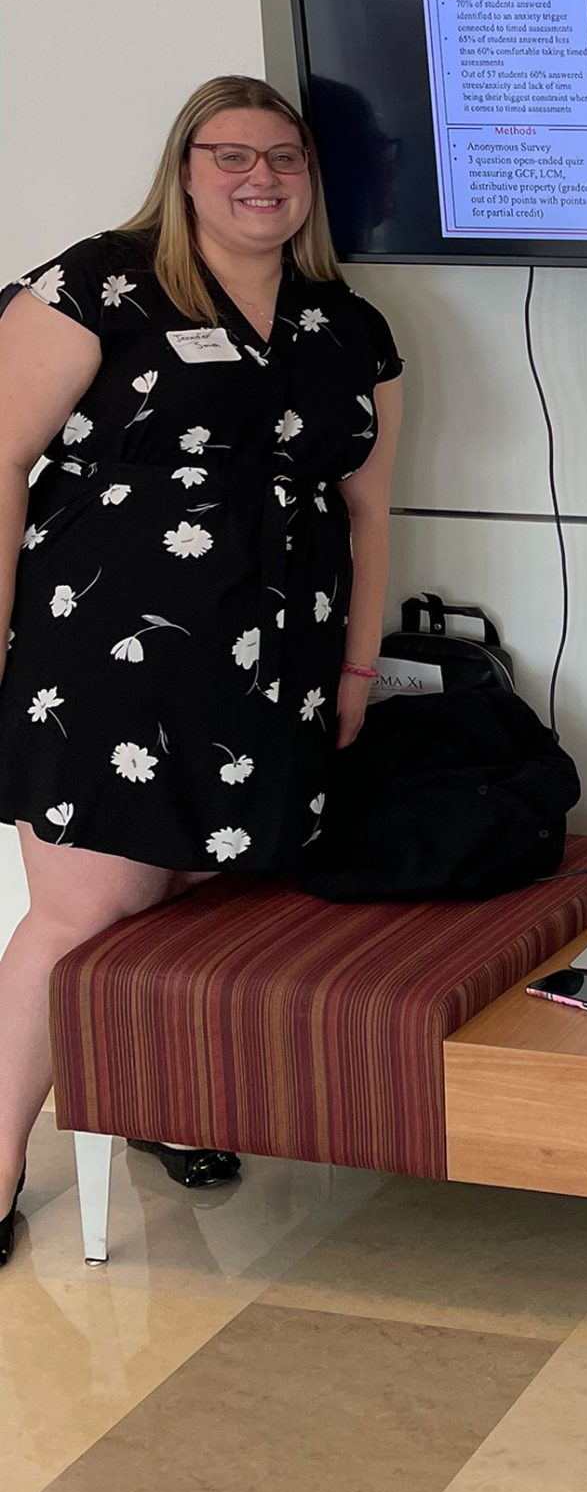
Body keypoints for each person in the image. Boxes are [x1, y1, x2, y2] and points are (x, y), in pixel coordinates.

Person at [0, 75, 403, 1260]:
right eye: (229, 155)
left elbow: (367, 512)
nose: (258, 178)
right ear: (184, 169)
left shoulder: (349, 327)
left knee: (184, 905)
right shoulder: (96, 285)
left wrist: (357, 670)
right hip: (104, 662)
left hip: (272, 668)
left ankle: (151, 1101)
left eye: (283, 158)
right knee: (79, 917)